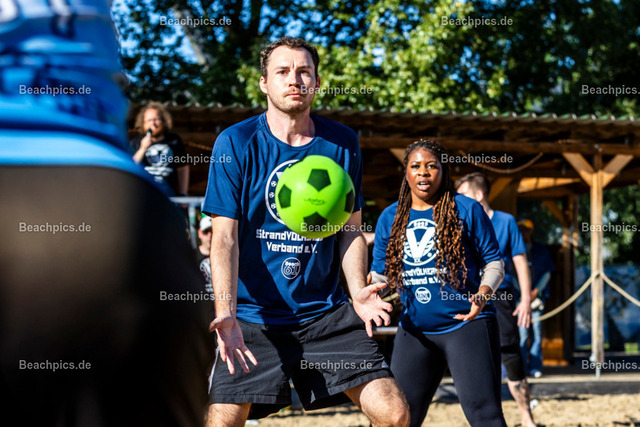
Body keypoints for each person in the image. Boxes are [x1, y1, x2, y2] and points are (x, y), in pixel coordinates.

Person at [201, 36, 409, 426]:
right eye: (282, 71)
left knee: (395, 414)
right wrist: (225, 314)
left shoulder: (342, 142)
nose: (294, 80)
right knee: (223, 422)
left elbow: (350, 230)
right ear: (264, 83)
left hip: (325, 314)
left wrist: (357, 291)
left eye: (304, 72)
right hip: (253, 317)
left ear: (316, 82)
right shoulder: (236, 142)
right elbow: (224, 238)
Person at [371, 139, 507, 427]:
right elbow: (381, 274)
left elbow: (495, 262)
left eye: (432, 166)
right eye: (416, 166)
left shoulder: (467, 209)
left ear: (444, 171)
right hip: (415, 331)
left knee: (485, 416)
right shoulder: (390, 217)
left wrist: (482, 295)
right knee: (397, 418)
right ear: (406, 172)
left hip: (466, 325)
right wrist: (369, 290)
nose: (423, 172)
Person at [455, 172, 536, 427]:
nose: (458, 200)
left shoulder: (506, 221)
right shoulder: (459, 222)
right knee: (475, 356)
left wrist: (525, 300)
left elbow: (520, 261)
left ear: (478, 196)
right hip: (468, 295)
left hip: (501, 295)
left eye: (463, 195)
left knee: (510, 353)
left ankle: (526, 416)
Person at [518, 219, 555, 378]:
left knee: (537, 333)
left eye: (526, 230)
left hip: (537, 298)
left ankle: (535, 366)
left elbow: (547, 272)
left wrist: (535, 291)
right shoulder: (515, 248)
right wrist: (524, 293)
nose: (523, 233)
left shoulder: (540, 250)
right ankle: (521, 368)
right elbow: (510, 273)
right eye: (521, 229)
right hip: (520, 299)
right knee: (522, 334)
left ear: (531, 231)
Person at [131, 102, 190, 196]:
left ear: (164, 121)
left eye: (156, 119)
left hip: (168, 194)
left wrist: (183, 194)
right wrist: (142, 148)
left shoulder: (174, 140)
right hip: (144, 193)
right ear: (143, 123)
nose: (153, 123)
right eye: (149, 120)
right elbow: (131, 166)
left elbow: (182, 167)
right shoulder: (136, 142)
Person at [195, 215, 213, 294]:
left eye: (212, 231)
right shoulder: (192, 256)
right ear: (199, 233)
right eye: (206, 232)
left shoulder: (225, 256)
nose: (210, 235)